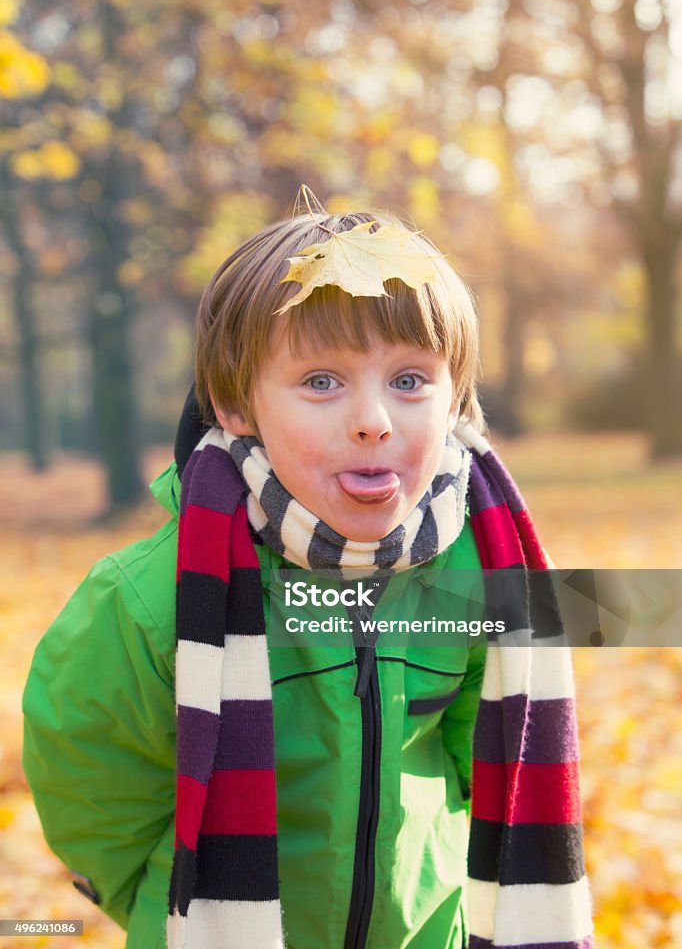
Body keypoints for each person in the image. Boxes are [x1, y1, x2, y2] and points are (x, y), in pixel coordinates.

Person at [22, 196, 593, 949]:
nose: (373, 420)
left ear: (455, 397)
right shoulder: (150, 596)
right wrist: (167, 898)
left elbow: (485, 757)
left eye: (411, 380)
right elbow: (92, 785)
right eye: (322, 381)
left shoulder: (479, 569)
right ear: (235, 402)